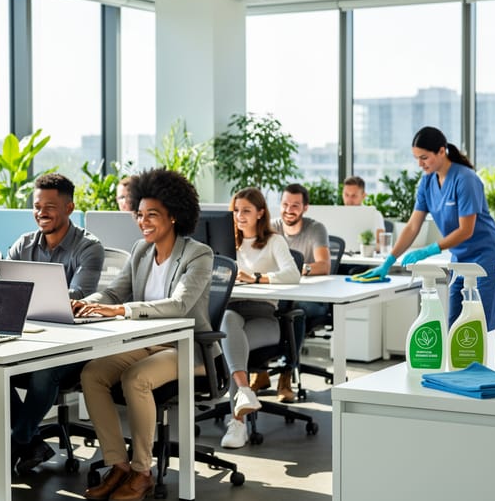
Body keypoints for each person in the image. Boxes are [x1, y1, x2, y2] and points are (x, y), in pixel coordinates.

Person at [76, 168, 213, 501]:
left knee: (135, 378)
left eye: (153, 215)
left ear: (174, 216)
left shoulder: (198, 254)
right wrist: (84, 303)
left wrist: (124, 310)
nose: (143, 221)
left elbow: (180, 304)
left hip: (187, 347)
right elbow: (113, 293)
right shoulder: (140, 250)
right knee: (92, 374)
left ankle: (142, 471)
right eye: (140, 214)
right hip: (147, 343)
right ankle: (118, 465)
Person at [0, 173, 105, 475]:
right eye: (36, 206)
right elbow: (1, 287)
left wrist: (20, 296)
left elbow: (76, 296)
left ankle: (17, 440)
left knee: (43, 373)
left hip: (72, 344)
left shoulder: (89, 247)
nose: (41, 213)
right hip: (28, 338)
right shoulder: (23, 244)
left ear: (70, 208)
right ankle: (32, 439)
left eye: (50, 206)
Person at [358, 126, 495, 330]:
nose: (420, 164)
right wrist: (389, 260)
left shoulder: (465, 179)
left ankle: (481, 364)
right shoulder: (427, 182)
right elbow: (412, 226)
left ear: (441, 151)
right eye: (416, 159)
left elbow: (466, 230)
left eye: (424, 158)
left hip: (486, 259)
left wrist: (429, 250)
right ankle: (459, 365)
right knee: (454, 328)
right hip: (460, 260)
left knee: (480, 327)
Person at [220, 187, 301, 449]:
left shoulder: (273, 241)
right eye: (236, 211)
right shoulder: (225, 243)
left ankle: (238, 419)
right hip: (232, 312)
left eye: (246, 211)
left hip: (265, 318)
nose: (239, 216)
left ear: (260, 213)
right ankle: (243, 402)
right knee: (229, 322)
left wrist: (256, 277)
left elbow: (293, 274)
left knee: (232, 341)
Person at [268, 183, 331, 403]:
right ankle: (259, 372)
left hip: (311, 297)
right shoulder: (271, 228)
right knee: (261, 307)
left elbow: (324, 265)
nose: (288, 210)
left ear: (305, 207)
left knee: (295, 311)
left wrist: (299, 269)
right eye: (285, 204)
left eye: (295, 205)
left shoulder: (315, 229)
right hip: (279, 291)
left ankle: (286, 374)